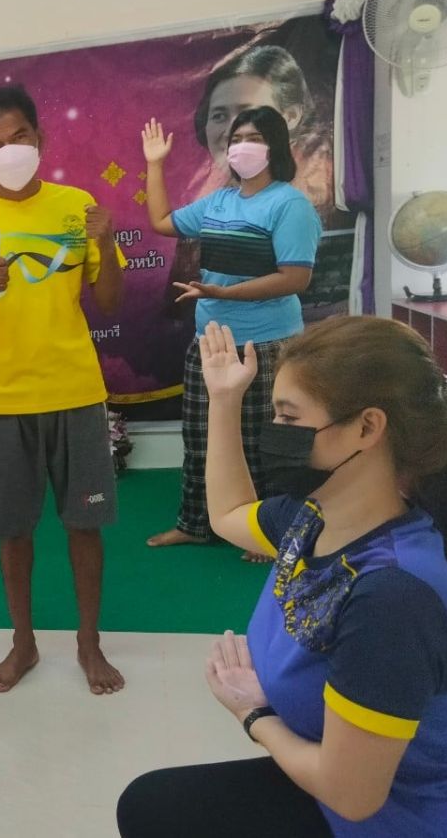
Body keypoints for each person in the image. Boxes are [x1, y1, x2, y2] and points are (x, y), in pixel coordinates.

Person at [117, 317, 447, 837]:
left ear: (367, 428)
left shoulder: (392, 598)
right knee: (150, 806)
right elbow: (228, 514)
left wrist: (254, 714)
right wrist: (225, 399)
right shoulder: (311, 518)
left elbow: (352, 795)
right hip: (342, 792)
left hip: (397, 822)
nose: (275, 433)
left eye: (288, 418)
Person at [0, 84, 127, 695]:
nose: (8, 150)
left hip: (75, 393)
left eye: (18, 136)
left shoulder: (78, 206)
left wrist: (106, 243)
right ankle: (24, 643)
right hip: (2, 399)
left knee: (85, 525)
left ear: (40, 138)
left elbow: (109, 302)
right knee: (13, 531)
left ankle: (89, 643)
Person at [141, 107, 320, 561]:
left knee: (267, 441)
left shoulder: (289, 204)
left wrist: (224, 292)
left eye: (253, 137)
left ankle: (265, 532)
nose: (241, 146)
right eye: (236, 138)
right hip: (212, 343)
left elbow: (295, 278)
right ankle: (197, 524)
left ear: (274, 147)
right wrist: (155, 163)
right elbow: (161, 221)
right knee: (203, 439)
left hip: (268, 343)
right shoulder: (219, 201)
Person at [188, 44, 335, 218]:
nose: (231, 132)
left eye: (248, 113)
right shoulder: (215, 204)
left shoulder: (323, 193)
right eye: (219, 116)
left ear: (291, 116)